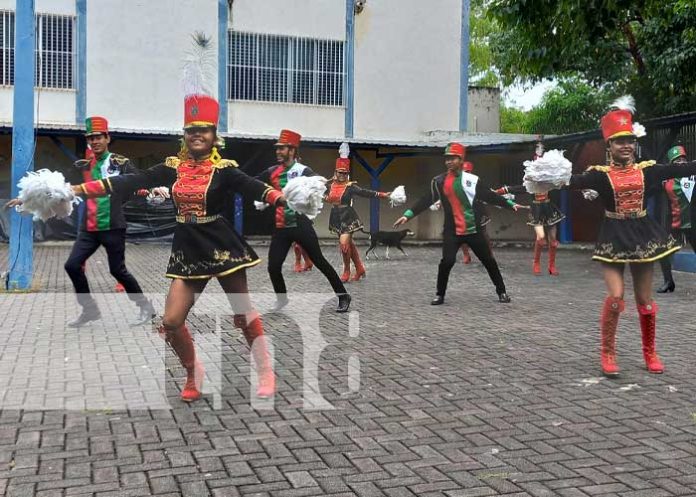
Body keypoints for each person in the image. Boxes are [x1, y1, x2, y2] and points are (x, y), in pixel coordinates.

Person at [71, 95, 284, 402]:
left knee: (243, 313)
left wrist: (280, 198)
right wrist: (75, 189)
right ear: (184, 135)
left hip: (222, 246)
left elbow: (253, 186)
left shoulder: (225, 169)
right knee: (171, 322)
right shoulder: (172, 167)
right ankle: (193, 373)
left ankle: (266, 371)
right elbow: (130, 181)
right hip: (187, 247)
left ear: (214, 136)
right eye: (191, 129)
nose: (197, 134)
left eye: (204, 129)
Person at [546, 98, 696, 376]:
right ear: (609, 146)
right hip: (614, 236)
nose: (625, 145)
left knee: (645, 300)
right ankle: (608, 354)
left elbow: (682, 169)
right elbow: (570, 183)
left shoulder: (647, 170)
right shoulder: (599, 176)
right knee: (616, 296)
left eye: (629, 140)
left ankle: (650, 353)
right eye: (618, 141)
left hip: (642, 235)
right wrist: (530, 183)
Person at [7, 116, 156, 327]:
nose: (94, 142)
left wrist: (151, 190)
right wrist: (25, 199)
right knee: (72, 265)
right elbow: (55, 187)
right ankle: (90, 310)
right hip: (89, 227)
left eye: (98, 137)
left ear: (107, 138)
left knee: (117, 270)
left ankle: (146, 307)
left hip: (113, 225)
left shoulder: (119, 163)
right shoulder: (82, 165)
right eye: (91, 138)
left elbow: (137, 180)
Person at [394, 143, 526, 304]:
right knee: (447, 262)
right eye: (447, 159)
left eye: (452, 158)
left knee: (489, 261)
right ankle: (440, 295)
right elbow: (426, 199)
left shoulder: (472, 180)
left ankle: (502, 292)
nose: (449, 162)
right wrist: (407, 215)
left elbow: (489, 196)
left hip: (473, 229)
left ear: (461, 159)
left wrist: (511, 205)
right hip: (452, 231)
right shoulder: (439, 181)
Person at [256, 130, 351, 312]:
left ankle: (343, 295)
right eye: (277, 148)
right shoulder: (272, 172)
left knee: (319, 261)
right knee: (273, 266)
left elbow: (320, 188)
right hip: (281, 226)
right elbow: (252, 183)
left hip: (301, 224)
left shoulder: (303, 171)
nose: (278, 151)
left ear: (292, 150)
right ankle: (282, 300)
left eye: (282, 148)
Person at [495, 141, 565, 275]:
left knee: (553, 240)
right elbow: (518, 188)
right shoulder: (530, 181)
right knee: (541, 239)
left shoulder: (551, 179)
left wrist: (582, 187)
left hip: (549, 209)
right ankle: (536, 262)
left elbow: (565, 183)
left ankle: (551, 265)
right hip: (537, 210)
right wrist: (499, 191)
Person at [326, 153, 392, 282]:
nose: (342, 175)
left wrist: (382, 194)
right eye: (340, 172)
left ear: (348, 174)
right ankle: (360, 268)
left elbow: (365, 192)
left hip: (347, 216)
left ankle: (346, 270)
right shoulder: (330, 185)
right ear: (335, 172)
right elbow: (321, 194)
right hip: (335, 216)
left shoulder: (351, 187)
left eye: (344, 173)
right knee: (349, 244)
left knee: (344, 244)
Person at [655, 145, 696, 293]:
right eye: (677, 160)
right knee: (663, 250)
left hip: (693, 223)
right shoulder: (666, 180)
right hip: (673, 222)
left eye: (683, 159)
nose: (681, 162)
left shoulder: (693, 175)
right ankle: (668, 282)